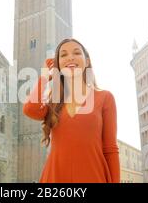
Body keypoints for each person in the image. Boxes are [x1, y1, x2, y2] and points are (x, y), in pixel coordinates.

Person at [23, 38, 120, 183]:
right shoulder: (54, 103)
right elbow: (30, 108)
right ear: (58, 66)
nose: (70, 57)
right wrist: (44, 77)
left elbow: (110, 149)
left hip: (94, 177)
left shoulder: (105, 98)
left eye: (76, 53)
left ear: (87, 61)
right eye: (63, 55)